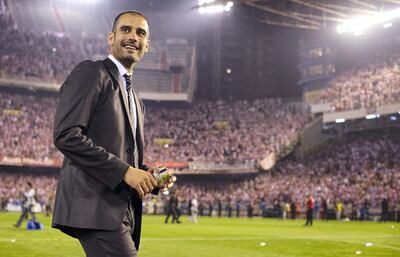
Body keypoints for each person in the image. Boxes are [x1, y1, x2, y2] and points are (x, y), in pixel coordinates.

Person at [52, 10, 175, 257]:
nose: (133, 37)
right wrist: (125, 172)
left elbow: (126, 158)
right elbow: (66, 134)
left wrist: (147, 174)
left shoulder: (137, 102)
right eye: (125, 30)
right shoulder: (92, 72)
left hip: (123, 209)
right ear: (111, 37)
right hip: (95, 208)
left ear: (147, 45)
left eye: (141, 33)